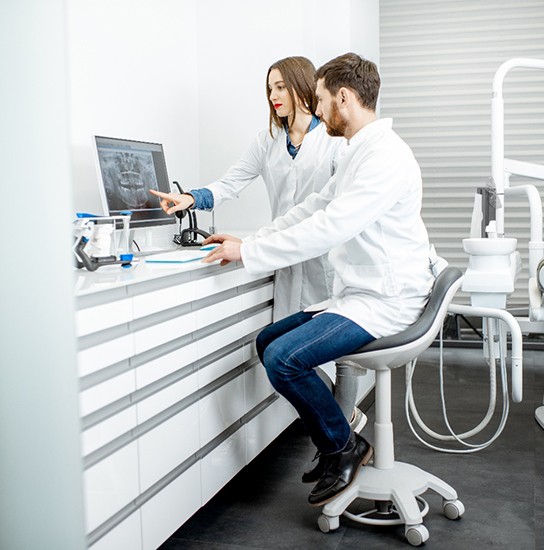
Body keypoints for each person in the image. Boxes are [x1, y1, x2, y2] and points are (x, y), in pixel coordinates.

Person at [200, 52, 434, 507]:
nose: (318, 108)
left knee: (285, 360)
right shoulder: (355, 151)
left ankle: (342, 446)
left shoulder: (384, 157)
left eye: (323, 99)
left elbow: (330, 228)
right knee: (269, 341)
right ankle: (340, 438)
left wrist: (248, 252)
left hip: (386, 299)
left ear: (343, 98)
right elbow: (311, 210)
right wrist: (252, 238)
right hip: (359, 293)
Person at [150, 56, 343, 321]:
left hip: (324, 261)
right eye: (270, 89)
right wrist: (190, 198)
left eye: (280, 87)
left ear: (301, 86)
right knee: (284, 343)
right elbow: (231, 182)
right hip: (283, 259)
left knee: (328, 355)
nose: (273, 95)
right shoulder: (268, 141)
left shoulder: (333, 140)